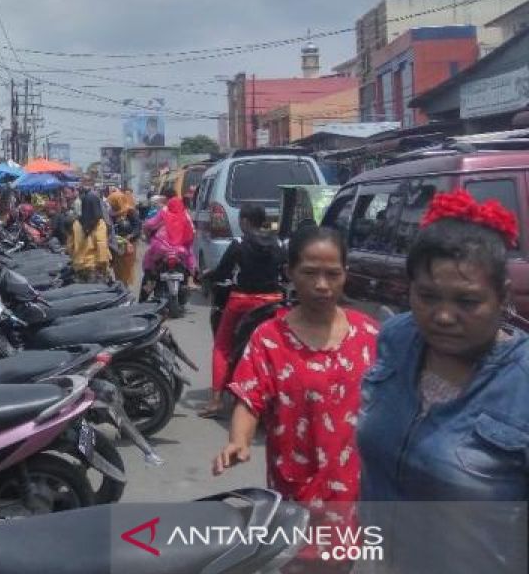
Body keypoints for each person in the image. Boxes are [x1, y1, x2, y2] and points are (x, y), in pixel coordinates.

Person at [356, 190, 529, 573]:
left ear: (502, 297)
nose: (444, 316)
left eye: (467, 302)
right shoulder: (397, 339)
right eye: (428, 296)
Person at [213, 226, 378, 570]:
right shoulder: (269, 338)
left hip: (349, 489)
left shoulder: (369, 333)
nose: (322, 285)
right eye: (310, 273)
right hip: (295, 487)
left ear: (345, 274)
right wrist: (238, 441)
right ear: (290, 273)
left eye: (332, 274)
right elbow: (250, 397)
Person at [203, 202, 286, 417]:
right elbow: (285, 273)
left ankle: (216, 400)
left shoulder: (238, 244)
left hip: (242, 302)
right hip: (273, 302)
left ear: (246, 222)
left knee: (222, 347)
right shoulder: (279, 244)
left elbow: (222, 273)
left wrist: (207, 275)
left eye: (241, 220)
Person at [140, 196, 196, 298]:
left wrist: (146, 228)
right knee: (189, 256)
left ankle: (144, 296)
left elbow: (149, 224)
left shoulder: (163, 213)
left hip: (161, 248)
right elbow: (191, 232)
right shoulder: (184, 216)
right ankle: (190, 280)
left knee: (150, 264)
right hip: (180, 250)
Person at [68, 192, 111, 282]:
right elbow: (101, 245)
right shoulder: (100, 224)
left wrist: (76, 260)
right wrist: (103, 267)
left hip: (79, 266)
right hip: (94, 267)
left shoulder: (76, 223)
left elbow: (70, 246)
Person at [108, 189, 140, 288]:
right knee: (117, 269)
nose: (112, 205)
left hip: (128, 245)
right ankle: (120, 284)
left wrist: (130, 236)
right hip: (116, 245)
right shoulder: (111, 213)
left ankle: (125, 287)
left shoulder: (130, 211)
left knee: (126, 270)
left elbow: (137, 227)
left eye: (113, 202)